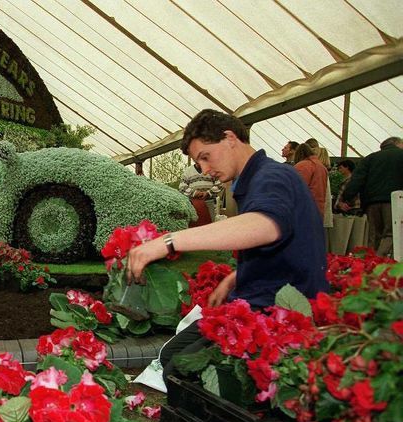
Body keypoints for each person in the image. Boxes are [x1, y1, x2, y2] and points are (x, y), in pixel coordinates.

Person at [125, 110, 328, 378]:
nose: (206, 170)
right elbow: (284, 247)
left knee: (178, 370)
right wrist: (235, 277)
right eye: (199, 164)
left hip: (278, 317)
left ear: (230, 138)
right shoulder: (255, 180)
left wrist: (169, 241)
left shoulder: (272, 177)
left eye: (205, 157)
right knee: (171, 355)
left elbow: (266, 225)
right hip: (254, 301)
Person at [338, 136, 403, 257]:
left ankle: (370, 264)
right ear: (397, 144)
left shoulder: (369, 158)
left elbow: (357, 180)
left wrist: (347, 198)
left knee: (374, 235)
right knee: (391, 233)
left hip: (371, 203)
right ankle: (379, 260)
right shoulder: (401, 155)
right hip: (394, 202)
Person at [292, 143, 328, 219]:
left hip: (304, 209)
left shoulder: (302, 166)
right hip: (319, 209)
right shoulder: (322, 167)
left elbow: (297, 189)